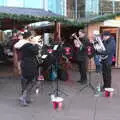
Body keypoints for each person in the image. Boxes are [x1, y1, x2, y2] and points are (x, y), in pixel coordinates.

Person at [14, 30, 39, 106]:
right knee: (32, 81)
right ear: (29, 37)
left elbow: (16, 46)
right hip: (29, 65)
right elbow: (36, 51)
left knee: (27, 81)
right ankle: (23, 97)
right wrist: (35, 43)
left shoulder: (24, 44)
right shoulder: (29, 45)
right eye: (32, 37)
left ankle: (26, 98)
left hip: (25, 64)